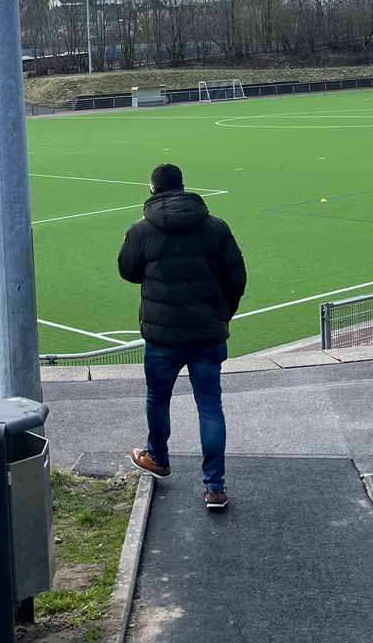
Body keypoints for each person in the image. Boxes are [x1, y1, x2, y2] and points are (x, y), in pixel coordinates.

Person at [119, 163, 246, 511]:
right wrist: (223, 313)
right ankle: (214, 486)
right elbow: (237, 278)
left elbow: (127, 271)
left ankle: (158, 458)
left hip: (163, 336)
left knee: (157, 399)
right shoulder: (215, 228)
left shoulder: (141, 230)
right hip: (207, 333)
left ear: (153, 189)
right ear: (183, 187)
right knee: (209, 405)